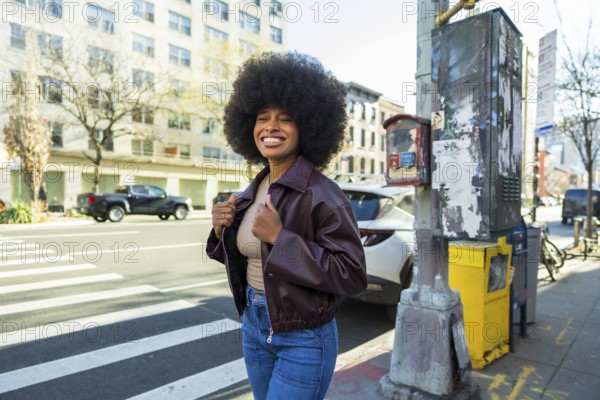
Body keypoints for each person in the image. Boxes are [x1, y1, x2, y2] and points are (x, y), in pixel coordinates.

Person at [206, 52, 367, 400]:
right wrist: (221, 231)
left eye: (285, 119)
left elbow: (351, 274)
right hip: (254, 325)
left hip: (304, 336)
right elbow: (251, 257)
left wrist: (281, 238)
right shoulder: (253, 190)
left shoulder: (325, 194)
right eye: (262, 118)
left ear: (308, 127)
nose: (271, 126)